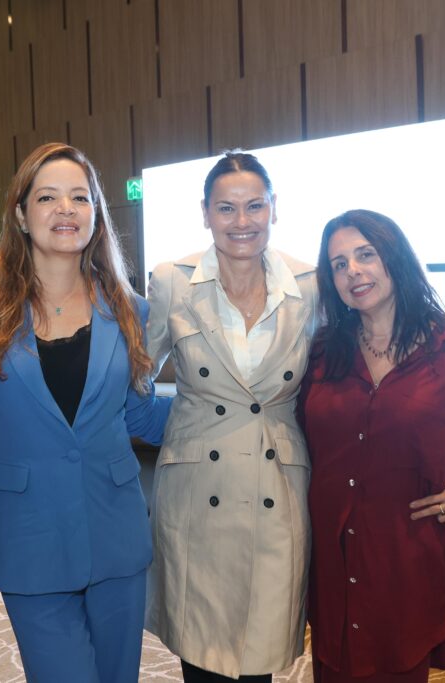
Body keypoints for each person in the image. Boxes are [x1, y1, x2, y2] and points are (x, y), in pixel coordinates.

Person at [0, 142, 171, 683]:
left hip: (116, 534)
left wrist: (235, 415)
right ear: (21, 215)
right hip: (29, 540)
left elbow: (140, 416)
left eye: (79, 197)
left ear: (96, 215)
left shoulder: (129, 309)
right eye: (48, 197)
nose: (65, 209)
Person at [298, 209, 445, 683]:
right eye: (338, 264)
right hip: (332, 556)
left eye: (365, 255)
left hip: (405, 554)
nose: (353, 271)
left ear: (394, 259)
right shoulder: (321, 350)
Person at [145, 151, 318, 682]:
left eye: (254, 206)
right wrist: (179, 431)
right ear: (205, 212)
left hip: (277, 487)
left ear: (273, 208)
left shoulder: (309, 284)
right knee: (203, 656)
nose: (241, 222)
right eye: (226, 208)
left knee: (259, 657)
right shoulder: (172, 281)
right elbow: (133, 376)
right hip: (199, 489)